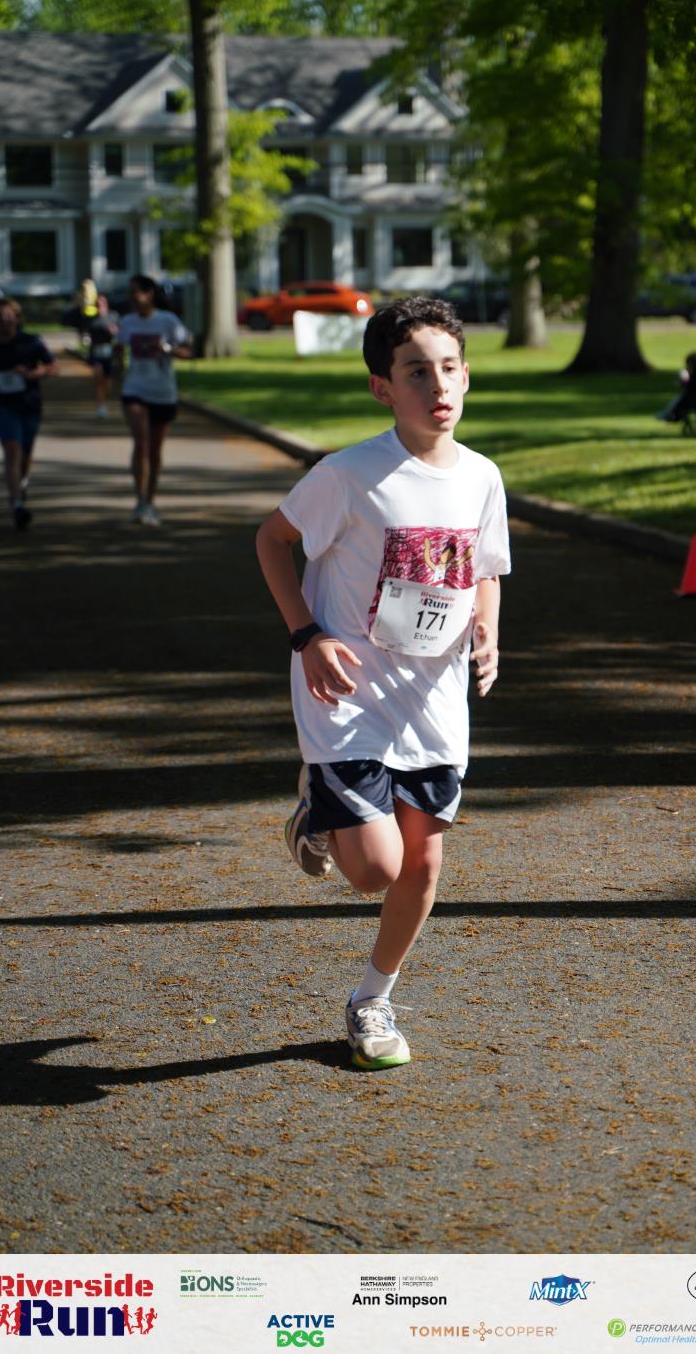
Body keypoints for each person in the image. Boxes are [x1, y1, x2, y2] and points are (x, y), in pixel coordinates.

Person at [255, 296, 510, 1070]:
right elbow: (271, 540)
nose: (439, 384)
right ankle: (319, 805)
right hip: (348, 692)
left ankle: (373, 998)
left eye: (450, 367)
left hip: (433, 699)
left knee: (423, 866)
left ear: (467, 376)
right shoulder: (349, 474)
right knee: (374, 869)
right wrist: (307, 635)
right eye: (416, 371)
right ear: (382, 387)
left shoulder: (483, 477)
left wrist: (488, 628)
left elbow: (486, 567)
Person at [114, 274, 193, 525]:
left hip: (163, 391)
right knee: (141, 442)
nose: (131, 297)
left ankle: (149, 501)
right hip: (134, 389)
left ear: (148, 293)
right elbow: (118, 349)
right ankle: (139, 500)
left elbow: (188, 351)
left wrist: (167, 349)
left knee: (155, 450)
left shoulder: (167, 321)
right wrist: (118, 368)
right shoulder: (127, 322)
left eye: (135, 291)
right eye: (129, 292)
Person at [0, 296, 58, 529]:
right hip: (3, 406)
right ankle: (17, 505)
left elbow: (52, 367)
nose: (3, 320)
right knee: (12, 449)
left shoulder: (31, 342)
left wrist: (32, 374)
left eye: (7, 315)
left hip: (29, 404)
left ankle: (22, 482)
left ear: (16, 317)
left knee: (25, 452)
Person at [87, 293, 118, 419]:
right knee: (99, 379)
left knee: (108, 382)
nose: (99, 305)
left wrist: (110, 328)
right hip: (96, 352)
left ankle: (105, 399)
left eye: (102, 303)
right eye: (97, 304)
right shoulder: (92, 319)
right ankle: (100, 406)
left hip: (108, 351)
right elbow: (88, 335)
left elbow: (116, 332)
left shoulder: (113, 316)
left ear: (106, 304)